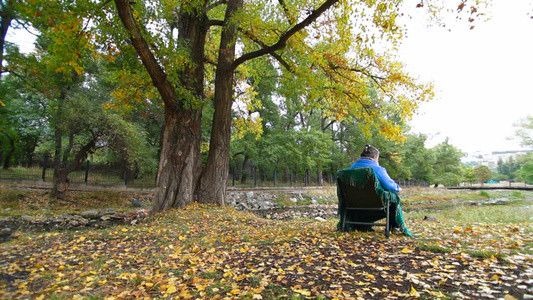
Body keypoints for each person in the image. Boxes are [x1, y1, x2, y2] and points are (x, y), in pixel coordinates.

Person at [347, 145, 404, 233]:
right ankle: (393, 226)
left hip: (353, 205)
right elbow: (390, 187)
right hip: (373, 204)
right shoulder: (376, 169)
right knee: (393, 199)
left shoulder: (350, 170)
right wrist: (398, 189)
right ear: (374, 157)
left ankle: (362, 225)